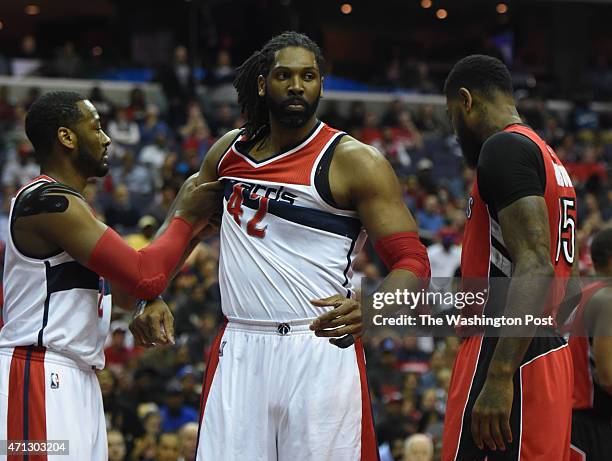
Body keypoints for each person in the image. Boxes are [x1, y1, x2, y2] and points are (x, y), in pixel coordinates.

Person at [147, 32, 430, 460]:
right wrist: (150, 294)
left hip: (319, 345)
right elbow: (179, 230)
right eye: (284, 75)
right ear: (262, 83)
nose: (297, 85)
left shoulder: (355, 161)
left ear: (320, 85)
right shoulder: (227, 153)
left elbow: (413, 260)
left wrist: (373, 305)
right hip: (240, 345)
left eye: (308, 76)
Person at [0, 91, 221, 460]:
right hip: (37, 373)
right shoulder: (49, 203)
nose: (106, 138)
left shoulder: (76, 210)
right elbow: (144, 275)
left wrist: (193, 234)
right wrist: (183, 210)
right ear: (67, 137)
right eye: (97, 127)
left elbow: (131, 284)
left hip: (79, 378)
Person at [440, 55, 578, 460]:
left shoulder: (503, 148)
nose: (454, 129)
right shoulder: (549, 158)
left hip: (506, 346)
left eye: (452, 116)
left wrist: (499, 375)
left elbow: (535, 264)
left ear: (465, 101)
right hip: (547, 347)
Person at [567, 228, 612, 461]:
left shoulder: (585, 294)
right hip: (592, 422)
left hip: (576, 418)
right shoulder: (607, 298)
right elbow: (608, 377)